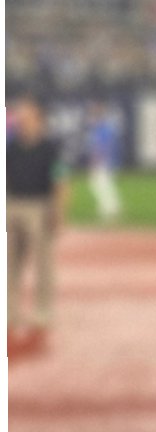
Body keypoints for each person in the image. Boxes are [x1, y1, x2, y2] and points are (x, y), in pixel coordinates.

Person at [7, 98, 70, 352]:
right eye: (20, 115)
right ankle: (9, 319)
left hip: (40, 207)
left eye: (27, 115)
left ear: (39, 119)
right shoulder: (11, 147)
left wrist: (59, 211)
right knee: (10, 266)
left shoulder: (51, 148)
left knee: (44, 267)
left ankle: (42, 319)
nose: (21, 119)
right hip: (13, 205)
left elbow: (61, 179)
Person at [82, 102, 123, 225]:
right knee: (101, 184)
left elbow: (104, 147)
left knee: (101, 184)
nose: (92, 116)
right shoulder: (99, 128)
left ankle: (110, 209)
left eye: (94, 113)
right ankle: (111, 208)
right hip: (103, 161)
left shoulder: (104, 128)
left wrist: (98, 160)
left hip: (103, 161)